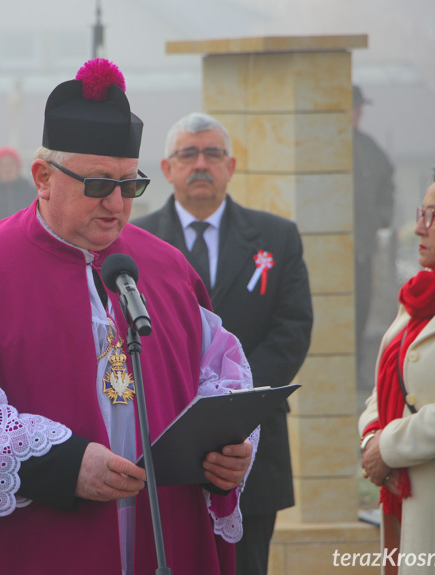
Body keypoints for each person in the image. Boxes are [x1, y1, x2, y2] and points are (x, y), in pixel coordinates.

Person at [0, 58, 256, 575]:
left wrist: (229, 450)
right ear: (43, 177)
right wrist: (62, 463)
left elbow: (220, 379)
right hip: (37, 544)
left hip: (161, 533)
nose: (116, 204)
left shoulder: (166, 271)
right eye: (97, 185)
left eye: (129, 185)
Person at [133, 112, 313, 575]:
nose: (200, 164)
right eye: (187, 154)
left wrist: (230, 403)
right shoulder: (133, 244)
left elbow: (291, 331)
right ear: (167, 167)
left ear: (230, 166)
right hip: (160, 436)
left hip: (249, 443)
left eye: (212, 153)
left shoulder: (276, 237)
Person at [359, 156, 435, 575]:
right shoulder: (420, 293)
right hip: (404, 497)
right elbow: (385, 385)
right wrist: (371, 440)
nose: (419, 228)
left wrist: (389, 448)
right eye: (420, 214)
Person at [353, 85, 395, 381]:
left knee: (361, 310)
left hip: (361, 249)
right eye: (353, 107)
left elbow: (387, 183)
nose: (358, 113)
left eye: (359, 108)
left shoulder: (369, 148)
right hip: (330, 255)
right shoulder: (324, 146)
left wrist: (380, 218)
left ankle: (355, 371)